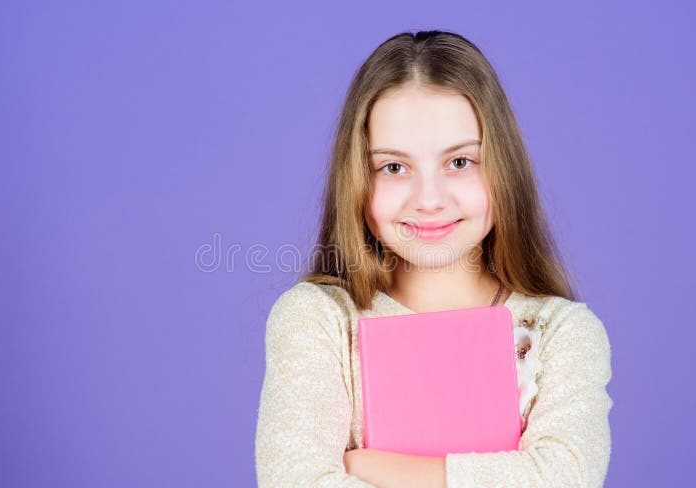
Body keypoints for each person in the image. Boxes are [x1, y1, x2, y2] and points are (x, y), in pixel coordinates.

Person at [255, 30, 613, 488]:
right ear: (357, 180)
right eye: (394, 167)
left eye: (460, 162)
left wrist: (373, 468)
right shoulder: (318, 320)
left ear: (503, 167)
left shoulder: (562, 333)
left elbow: (565, 478)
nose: (428, 199)